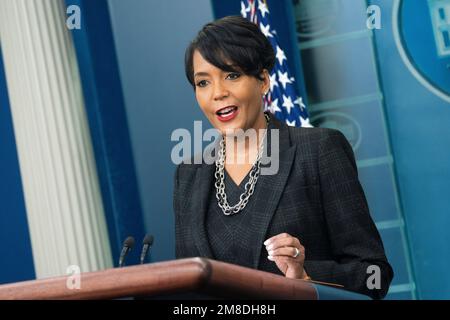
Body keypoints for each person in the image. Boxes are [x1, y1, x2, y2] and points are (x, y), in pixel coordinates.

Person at [173, 15, 393, 299]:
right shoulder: (188, 174)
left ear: (263, 80)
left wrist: (307, 276)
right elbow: (186, 288)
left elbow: (374, 275)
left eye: (232, 75)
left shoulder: (318, 151)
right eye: (203, 83)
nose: (218, 93)